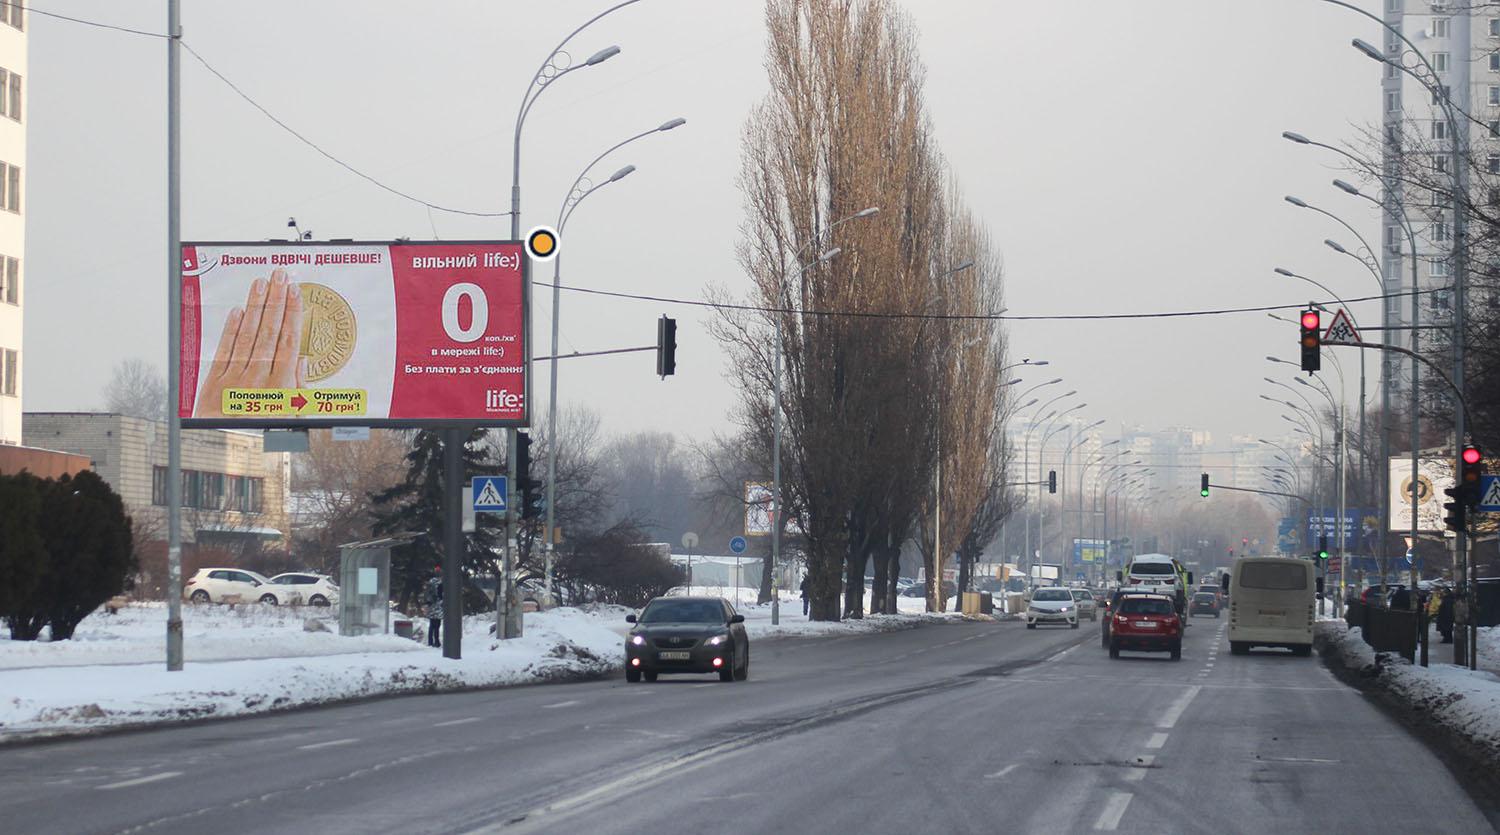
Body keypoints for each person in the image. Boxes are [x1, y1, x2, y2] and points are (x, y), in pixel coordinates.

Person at [424, 565, 444, 648]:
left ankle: (430, 641)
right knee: (437, 625)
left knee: (432, 624)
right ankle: (436, 641)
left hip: (431, 605)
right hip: (439, 605)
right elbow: (441, 595)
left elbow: (427, 593)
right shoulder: (440, 582)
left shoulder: (430, 582)